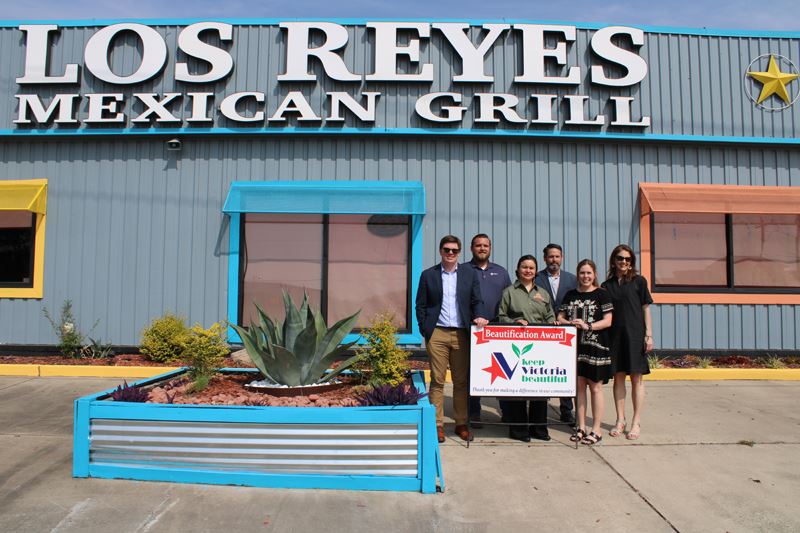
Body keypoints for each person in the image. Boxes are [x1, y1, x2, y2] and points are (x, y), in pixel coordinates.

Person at [415, 235, 489, 443]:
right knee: (437, 380)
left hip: (461, 333)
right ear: (440, 251)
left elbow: (476, 300)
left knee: (461, 381)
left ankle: (460, 423)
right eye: (446, 250)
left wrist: (480, 315)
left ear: (459, 253)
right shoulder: (428, 275)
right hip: (437, 332)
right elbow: (420, 305)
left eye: (454, 250)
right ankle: (437, 425)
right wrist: (425, 329)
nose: (450, 253)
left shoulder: (468, 274)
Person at [498, 255, 554, 442]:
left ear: (536, 271)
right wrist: (514, 322)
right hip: (516, 346)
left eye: (531, 268)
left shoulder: (544, 294)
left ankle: (539, 428)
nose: (528, 270)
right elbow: (501, 316)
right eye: (524, 267)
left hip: (540, 347)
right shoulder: (509, 292)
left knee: (539, 388)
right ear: (518, 269)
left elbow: (549, 317)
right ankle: (519, 429)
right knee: (519, 388)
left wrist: (552, 323)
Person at [601, 244, 654, 441]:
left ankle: (635, 422)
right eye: (620, 258)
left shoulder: (639, 282)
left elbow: (645, 309)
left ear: (631, 262)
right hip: (615, 337)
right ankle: (620, 420)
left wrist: (649, 335)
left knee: (637, 379)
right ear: (613, 261)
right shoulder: (606, 286)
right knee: (619, 378)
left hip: (635, 336)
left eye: (628, 259)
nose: (624, 262)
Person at [558, 259, 614, 446]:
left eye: (589, 273)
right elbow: (560, 316)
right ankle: (581, 426)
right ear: (578, 274)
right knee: (579, 386)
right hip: (575, 347)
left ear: (594, 274)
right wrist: (569, 324)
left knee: (595, 387)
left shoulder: (602, 295)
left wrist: (588, 325)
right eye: (582, 273)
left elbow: (608, 321)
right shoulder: (570, 294)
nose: (585, 276)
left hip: (595, 346)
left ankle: (596, 429)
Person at [465, 233, 512, 428]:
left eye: (486, 245)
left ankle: (506, 411)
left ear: (490, 248)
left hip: (497, 331)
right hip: (471, 329)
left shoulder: (500, 272)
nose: (482, 248)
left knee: (501, 371)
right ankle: (474, 412)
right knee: (472, 372)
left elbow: (510, 299)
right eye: (478, 245)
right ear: (472, 248)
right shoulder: (464, 270)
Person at [535, 243, 579, 424]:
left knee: (564, 369)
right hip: (542, 331)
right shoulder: (536, 278)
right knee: (541, 369)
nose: (554, 260)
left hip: (565, 330)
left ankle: (566, 409)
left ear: (562, 258)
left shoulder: (572, 279)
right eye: (551, 256)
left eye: (557, 256)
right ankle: (540, 408)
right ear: (545, 258)